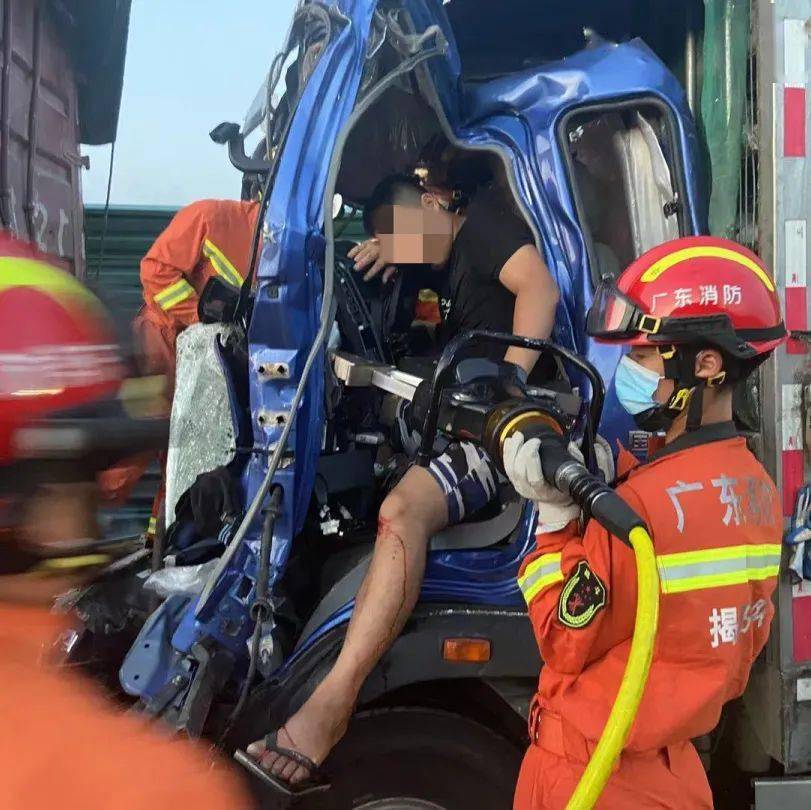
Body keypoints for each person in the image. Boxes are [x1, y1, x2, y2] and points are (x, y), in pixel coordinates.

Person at [246, 173, 561, 788]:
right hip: (470, 422)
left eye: (400, 231)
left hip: (508, 434)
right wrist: (397, 261)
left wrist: (507, 391)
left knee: (402, 511)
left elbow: (539, 289)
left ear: (432, 205)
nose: (400, 247)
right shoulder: (440, 267)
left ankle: (332, 703)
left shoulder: (484, 230)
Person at [504, 236, 786, 809]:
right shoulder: (759, 493)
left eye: (642, 355)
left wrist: (554, 521)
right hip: (675, 774)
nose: (628, 369)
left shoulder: (639, 516)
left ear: (704, 364)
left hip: (592, 774)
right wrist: (619, 471)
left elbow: (562, 639)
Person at [0, 234, 252, 809]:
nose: (96, 512)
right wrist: (195, 321)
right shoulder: (148, 788)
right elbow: (157, 266)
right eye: (81, 483)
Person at [99, 197, 261, 538]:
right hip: (160, 344)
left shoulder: (281, 244)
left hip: (204, 356)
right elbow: (155, 271)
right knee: (136, 443)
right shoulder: (211, 217)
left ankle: (162, 540)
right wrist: (200, 315)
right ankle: (82, 520)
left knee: (182, 455)